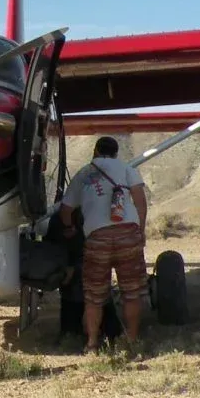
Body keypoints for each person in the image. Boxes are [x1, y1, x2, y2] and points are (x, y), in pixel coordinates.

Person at [58, 136, 149, 353]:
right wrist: (141, 230)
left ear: (95, 151)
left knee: (94, 296)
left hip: (97, 237)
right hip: (128, 233)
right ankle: (132, 341)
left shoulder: (83, 173)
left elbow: (66, 210)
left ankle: (92, 344)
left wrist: (70, 228)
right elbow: (140, 201)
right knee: (131, 292)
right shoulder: (127, 169)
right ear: (117, 152)